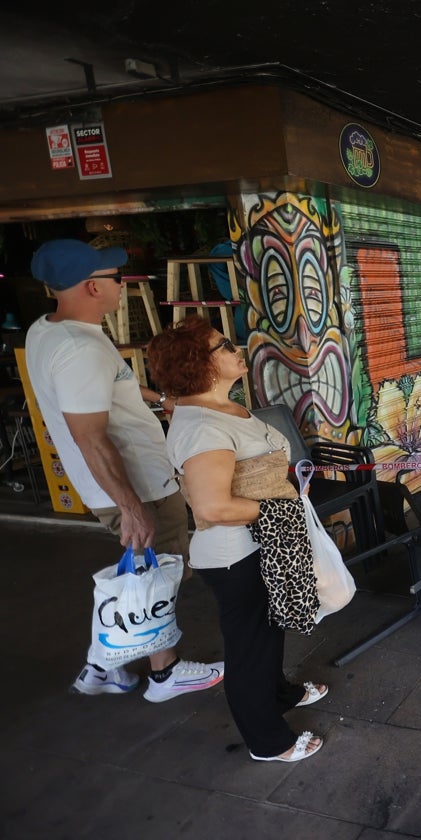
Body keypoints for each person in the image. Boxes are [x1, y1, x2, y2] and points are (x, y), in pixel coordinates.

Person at [25, 239, 225, 701]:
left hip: (122, 486)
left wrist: (160, 400)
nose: (123, 286)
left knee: (145, 572)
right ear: (93, 287)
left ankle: (102, 664)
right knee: (163, 573)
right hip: (139, 487)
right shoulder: (79, 349)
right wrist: (131, 507)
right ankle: (164, 673)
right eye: (117, 279)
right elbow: (90, 435)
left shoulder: (49, 329)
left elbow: (107, 392)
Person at [147, 314, 327, 763]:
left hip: (257, 546)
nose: (236, 349)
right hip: (235, 555)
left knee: (268, 631)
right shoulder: (202, 428)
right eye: (223, 345)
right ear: (200, 364)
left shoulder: (216, 409)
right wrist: (281, 510)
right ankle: (268, 741)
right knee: (249, 648)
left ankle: (280, 693)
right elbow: (210, 508)